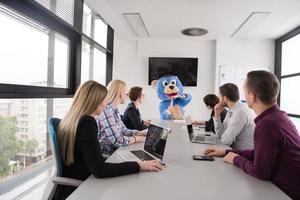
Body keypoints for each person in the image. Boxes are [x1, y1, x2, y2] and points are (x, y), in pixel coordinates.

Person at [55, 81, 163, 199]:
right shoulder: (87, 123)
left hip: (81, 173)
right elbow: (100, 170)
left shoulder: (73, 119)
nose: (105, 104)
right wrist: (140, 166)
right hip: (87, 182)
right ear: (93, 101)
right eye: (103, 100)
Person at [203, 71, 300, 199]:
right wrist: (226, 152)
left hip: (287, 192)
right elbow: (260, 154)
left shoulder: (267, 124)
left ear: (252, 96)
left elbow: (261, 171)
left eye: (244, 91)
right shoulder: (279, 117)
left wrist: (235, 159)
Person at [96, 80, 147, 156]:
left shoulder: (115, 110)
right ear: (120, 93)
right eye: (126, 92)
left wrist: (142, 133)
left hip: (116, 151)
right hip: (108, 155)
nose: (127, 95)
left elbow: (124, 130)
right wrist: (139, 138)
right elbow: (118, 141)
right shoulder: (107, 111)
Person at [213, 83, 255, 150]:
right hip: (234, 151)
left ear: (225, 98)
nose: (218, 99)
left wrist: (222, 137)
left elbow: (226, 140)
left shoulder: (240, 112)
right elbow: (219, 134)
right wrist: (217, 115)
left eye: (219, 96)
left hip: (243, 155)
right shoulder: (232, 109)